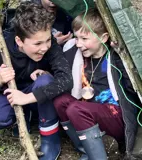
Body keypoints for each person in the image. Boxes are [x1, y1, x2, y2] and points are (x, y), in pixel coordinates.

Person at [0, 2, 73, 160]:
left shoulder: (49, 46)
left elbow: (66, 80)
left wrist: (28, 97)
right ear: (19, 42)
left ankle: (50, 137)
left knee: (44, 80)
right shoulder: (5, 48)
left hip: (39, 94)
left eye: (47, 40)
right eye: (37, 43)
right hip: (16, 94)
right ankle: (25, 117)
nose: (44, 47)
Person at [54, 8, 140, 160]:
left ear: (104, 37)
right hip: (87, 113)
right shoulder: (75, 53)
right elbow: (59, 68)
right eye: (77, 38)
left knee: (76, 109)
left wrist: (121, 53)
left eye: (84, 39)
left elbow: (131, 89)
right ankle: (87, 150)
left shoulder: (115, 58)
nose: (79, 44)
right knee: (61, 102)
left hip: (115, 116)